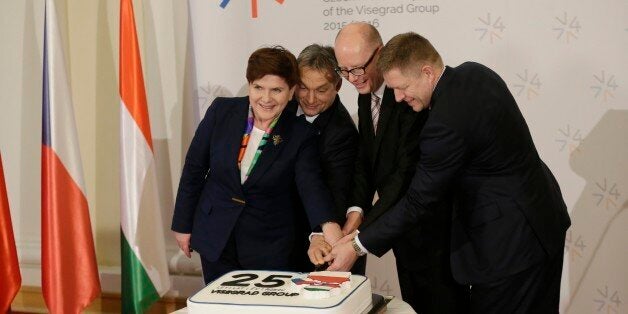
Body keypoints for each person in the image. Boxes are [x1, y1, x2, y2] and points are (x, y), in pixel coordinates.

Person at [327, 32, 571, 313]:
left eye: (402, 87)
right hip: (543, 219)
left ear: (427, 72)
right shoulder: (475, 73)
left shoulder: (443, 124)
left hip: (511, 246)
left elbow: (418, 199)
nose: (398, 96)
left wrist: (357, 245)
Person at [171, 46, 343, 284]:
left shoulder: (301, 134)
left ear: (292, 90)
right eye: (258, 87)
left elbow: (311, 185)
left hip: (269, 247)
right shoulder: (222, 111)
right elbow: (194, 168)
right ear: (249, 84)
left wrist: (330, 229)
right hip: (216, 238)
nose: (266, 98)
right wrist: (182, 225)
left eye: (277, 90)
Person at [333, 23, 468, 313]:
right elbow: (366, 162)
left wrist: (358, 240)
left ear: (379, 54)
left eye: (356, 68)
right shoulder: (366, 90)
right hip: (402, 235)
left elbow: (404, 176)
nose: (351, 79)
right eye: (342, 71)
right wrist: (355, 212)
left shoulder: (410, 97)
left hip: (434, 236)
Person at [285, 44, 364, 274]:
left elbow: (336, 191)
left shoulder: (343, 132)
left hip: (323, 244)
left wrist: (319, 234)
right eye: (302, 87)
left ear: (337, 86)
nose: (309, 98)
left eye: (320, 90)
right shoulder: (281, 108)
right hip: (279, 237)